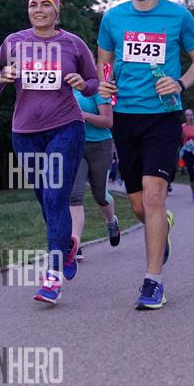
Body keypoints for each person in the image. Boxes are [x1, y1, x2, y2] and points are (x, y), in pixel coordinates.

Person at [97, 0, 194, 310]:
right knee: (138, 205)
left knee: (153, 195)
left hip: (163, 117)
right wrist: (105, 85)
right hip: (125, 118)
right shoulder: (113, 18)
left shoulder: (177, 16)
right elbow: (103, 65)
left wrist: (180, 83)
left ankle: (153, 281)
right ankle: (163, 224)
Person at [0, 0, 98, 304]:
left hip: (66, 127)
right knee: (45, 200)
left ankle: (52, 277)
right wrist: (2, 78)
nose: (39, 10)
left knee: (56, 196)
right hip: (25, 133)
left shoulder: (73, 44)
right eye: (33, 4)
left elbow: (94, 84)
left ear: (56, 11)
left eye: (46, 4)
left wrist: (82, 83)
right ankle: (67, 246)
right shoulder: (13, 42)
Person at [70, 83, 122, 261]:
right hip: (75, 146)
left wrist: (82, 115)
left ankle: (111, 221)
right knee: (74, 196)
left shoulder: (98, 90)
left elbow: (108, 121)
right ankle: (74, 244)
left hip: (100, 146)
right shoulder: (65, 89)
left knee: (100, 196)